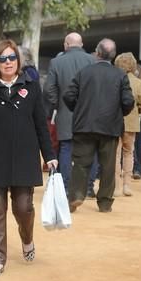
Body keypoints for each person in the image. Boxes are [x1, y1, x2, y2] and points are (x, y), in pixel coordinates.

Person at [0, 39, 57, 277]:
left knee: (24, 207)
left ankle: (27, 238)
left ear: (18, 60)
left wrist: (49, 155)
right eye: (3, 59)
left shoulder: (32, 86)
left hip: (25, 156)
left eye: (12, 58)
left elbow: (41, 125)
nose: (8, 63)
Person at [63, 38, 134, 213]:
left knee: (80, 163)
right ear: (113, 55)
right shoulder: (120, 75)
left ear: (97, 52)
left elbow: (68, 96)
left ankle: (77, 195)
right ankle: (104, 202)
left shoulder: (84, 72)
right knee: (108, 166)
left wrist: (78, 110)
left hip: (84, 125)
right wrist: (119, 114)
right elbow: (128, 101)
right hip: (110, 127)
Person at [44, 32, 95, 191]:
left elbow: (48, 89)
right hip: (89, 113)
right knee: (90, 149)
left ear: (66, 45)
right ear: (81, 44)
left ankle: (65, 187)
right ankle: (88, 187)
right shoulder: (93, 61)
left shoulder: (56, 62)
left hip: (65, 112)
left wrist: (58, 103)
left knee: (66, 148)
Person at [113, 53, 141, 197]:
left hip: (114, 122)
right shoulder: (139, 83)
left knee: (115, 154)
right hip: (131, 122)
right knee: (128, 153)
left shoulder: (113, 79)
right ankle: (127, 185)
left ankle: (115, 186)